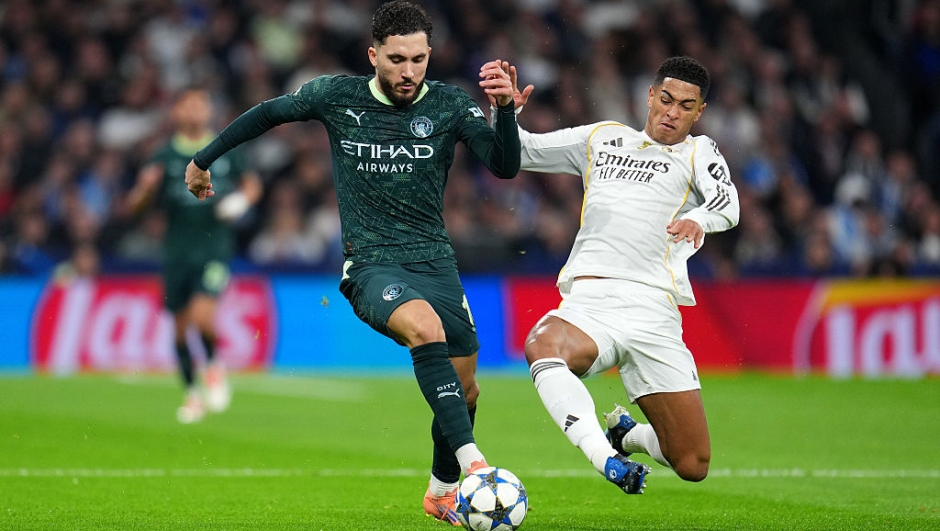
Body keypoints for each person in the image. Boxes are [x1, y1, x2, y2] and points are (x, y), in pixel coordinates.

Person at [183, 1, 520, 524]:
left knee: (466, 388)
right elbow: (269, 112)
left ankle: (440, 490)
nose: (409, 71)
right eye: (397, 59)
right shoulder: (337, 96)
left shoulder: (451, 105)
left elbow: (503, 166)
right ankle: (476, 465)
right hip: (371, 262)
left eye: (419, 59)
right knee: (425, 330)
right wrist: (204, 158)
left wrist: (506, 114)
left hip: (436, 261)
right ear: (373, 55)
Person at [486, 56, 740, 494]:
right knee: (542, 344)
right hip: (593, 301)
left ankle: (627, 436)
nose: (672, 112)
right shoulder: (603, 138)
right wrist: (506, 110)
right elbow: (520, 152)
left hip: (655, 311)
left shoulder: (699, 151)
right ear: (649, 96)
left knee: (692, 462)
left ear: (699, 112)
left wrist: (700, 218)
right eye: (665, 100)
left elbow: (728, 202)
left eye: (685, 105)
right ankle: (606, 459)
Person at [124, 87, 262, 424]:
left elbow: (252, 184)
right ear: (176, 112)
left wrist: (241, 202)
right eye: (187, 106)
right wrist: (144, 190)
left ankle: (213, 366)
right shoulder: (163, 156)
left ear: (209, 109)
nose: (194, 112)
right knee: (179, 330)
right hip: (176, 252)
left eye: (200, 105)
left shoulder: (225, 149)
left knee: (202, 317)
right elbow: (133, 208)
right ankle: (191, 395)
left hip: (215, 248)